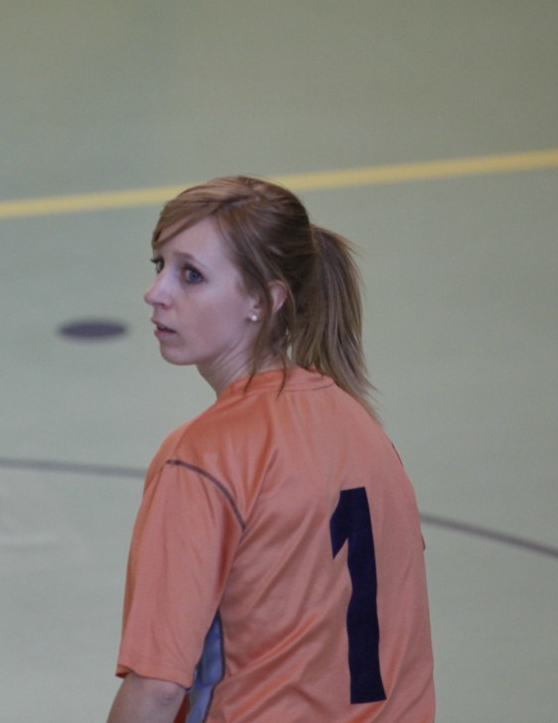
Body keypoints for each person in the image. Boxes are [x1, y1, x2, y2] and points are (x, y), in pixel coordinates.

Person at [107, 177, 435, 723]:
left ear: (263, 300)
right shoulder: (361, 428)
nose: (156, 291)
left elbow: (158, 688)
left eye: (191, 274)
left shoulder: (203, 457)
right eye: (159, 265)